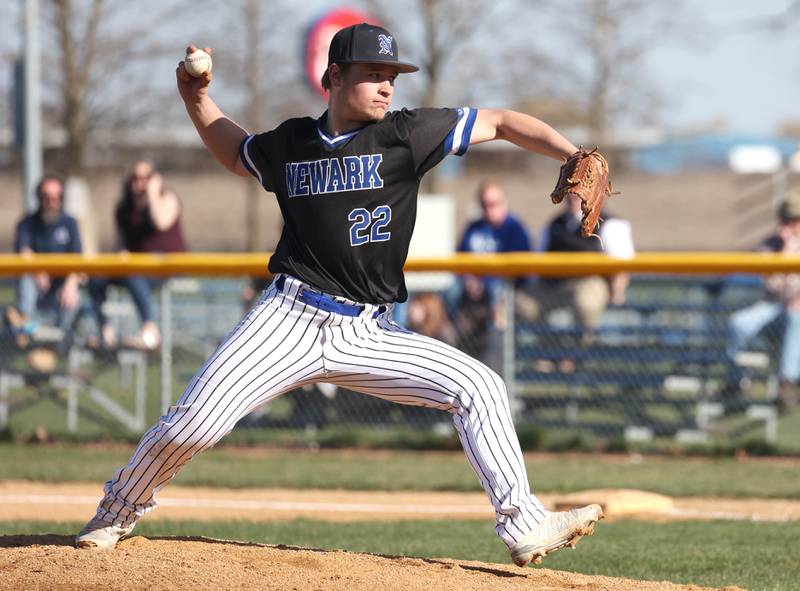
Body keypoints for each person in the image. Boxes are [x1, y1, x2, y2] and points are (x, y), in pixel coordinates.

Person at [76, 24, 604, 567]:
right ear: (334, 76)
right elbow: (236, 152)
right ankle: (118, 509)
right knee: (194, 424)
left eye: (391, 77)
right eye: (373, 75)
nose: (386, 87)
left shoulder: (406, 134)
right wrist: (198, 98)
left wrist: (571, 153)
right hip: (286, 318)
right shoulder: (293, 142)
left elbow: (500, 121)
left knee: (480, 386)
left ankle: (525, 524)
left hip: (367, 331)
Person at [88, 161, 188, 350]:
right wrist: (118, 256)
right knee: (96, 277)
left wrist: (152, 193)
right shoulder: (124, 208)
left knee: (134, 272)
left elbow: (160, 222)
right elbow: (120, 243)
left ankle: (150, 331)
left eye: (145, 178)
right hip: (135, 267)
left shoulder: (167, 198)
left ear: (155, 180)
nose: (139, 183)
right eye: (135, 178)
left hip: (166, 265)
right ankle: (105, 331)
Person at [519, 193, 634, 337]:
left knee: (585, 302)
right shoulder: (555, 224)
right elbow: (537, 263)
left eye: (580, 191)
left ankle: (576, 354)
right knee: (522, 303)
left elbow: (621, 265)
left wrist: (617, 291)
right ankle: (549, 350)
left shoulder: (607, 223)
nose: (574, 196)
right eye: (570, 191)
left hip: (589, 282)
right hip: (554, 284)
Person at [726, 199, 800, 414]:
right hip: (772, 308)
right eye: (789, 220)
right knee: (738, 323)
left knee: (796, 313)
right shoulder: (770, 245)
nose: (793, 225)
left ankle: (787, 382)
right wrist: (787, 247)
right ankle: (736, 382)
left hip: (796, 313)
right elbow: (773, 282)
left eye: (796, 220)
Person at [4, 175, 83, 354]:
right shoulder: (27, 223)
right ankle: (26, 331)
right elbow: (24, 251)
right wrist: (38, 271)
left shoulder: (70, 223)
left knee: (74, 298)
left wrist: (70, 285)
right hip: (36, 288)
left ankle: (51, 346)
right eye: (46, 197)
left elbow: (78, 259)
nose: (50, 202)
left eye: (55, 198)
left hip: (60, 289)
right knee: (26, 279)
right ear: (39, 198)